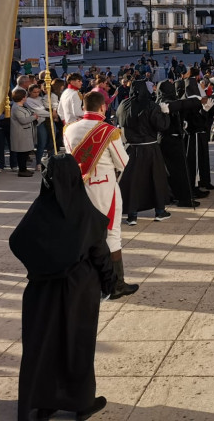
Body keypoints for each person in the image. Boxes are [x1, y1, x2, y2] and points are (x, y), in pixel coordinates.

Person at [10, 154, 114, 421]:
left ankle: (44, 403)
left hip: (42, 291)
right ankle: (80, 402)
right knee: (76, 344)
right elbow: (100, 254)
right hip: (78, 290)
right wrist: (110, 283)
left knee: (45, 344)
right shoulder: (84, 212)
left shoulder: (40, 209)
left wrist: (40, 265)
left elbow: (18, 241)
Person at [63, 92, 137, 300]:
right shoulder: (108, 131)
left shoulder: (69, 129)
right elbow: (123, 162)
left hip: (79, 187)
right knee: (111, 233)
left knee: (84, 232)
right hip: (104, 188)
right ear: (103, 107)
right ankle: (116, 284)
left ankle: (86, 281)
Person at [118, 80, 173, 224]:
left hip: (132, 148)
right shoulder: (151, 105)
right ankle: (160, 211)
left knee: (133, 182)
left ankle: (132, 215)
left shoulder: (124, 105)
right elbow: (162, 125)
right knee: (156, 179)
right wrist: (165, 114)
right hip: (150, 148)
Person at [154, 81, 206, 208]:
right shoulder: (162, 103)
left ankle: (175, 196)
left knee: (174, 171)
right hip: (169, 139)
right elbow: (179, 105)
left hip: (173, 139)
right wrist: (197, 101)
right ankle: (182, 198)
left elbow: (182, 107)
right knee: (178, 171)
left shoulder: (171, 102)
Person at [182, 79, 214, 192]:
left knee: (204, 159)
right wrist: (204, 111)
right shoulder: (186, 102)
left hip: (201, 133)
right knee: (195, 161)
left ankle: (205, 180)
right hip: (193, 135)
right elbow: (194, 121)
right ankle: (195, 184)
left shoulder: (197, 99)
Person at [10, 87, 39, 177]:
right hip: (20, 134)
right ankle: (22, 170)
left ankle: (24, 169)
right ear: (23, 97)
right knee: (22, 153)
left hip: (25, 133)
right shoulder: (16, 108)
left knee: (25, 153)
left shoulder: (21, 106)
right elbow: (23, 120)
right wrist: (34, 117)